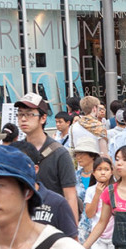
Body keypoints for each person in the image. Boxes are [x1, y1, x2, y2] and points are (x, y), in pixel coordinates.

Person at [12, 93, 78, 221]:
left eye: (30, 114)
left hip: (53, 224)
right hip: (24, 225)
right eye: (20, 114)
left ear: (43, 118)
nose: (23, 119)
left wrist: (72, 233)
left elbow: (70, 196)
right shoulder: (15, 152)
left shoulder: (60, 153)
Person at [83, 156, 115, 249]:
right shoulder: (91, 190)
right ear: (93, 173)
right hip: (97, 237)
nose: (103, 172)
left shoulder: (116, 188)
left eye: (106, 169)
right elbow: (89, 214)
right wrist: (97, 194)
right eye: (99, 169)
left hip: (114, 236)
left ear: (112, 172)